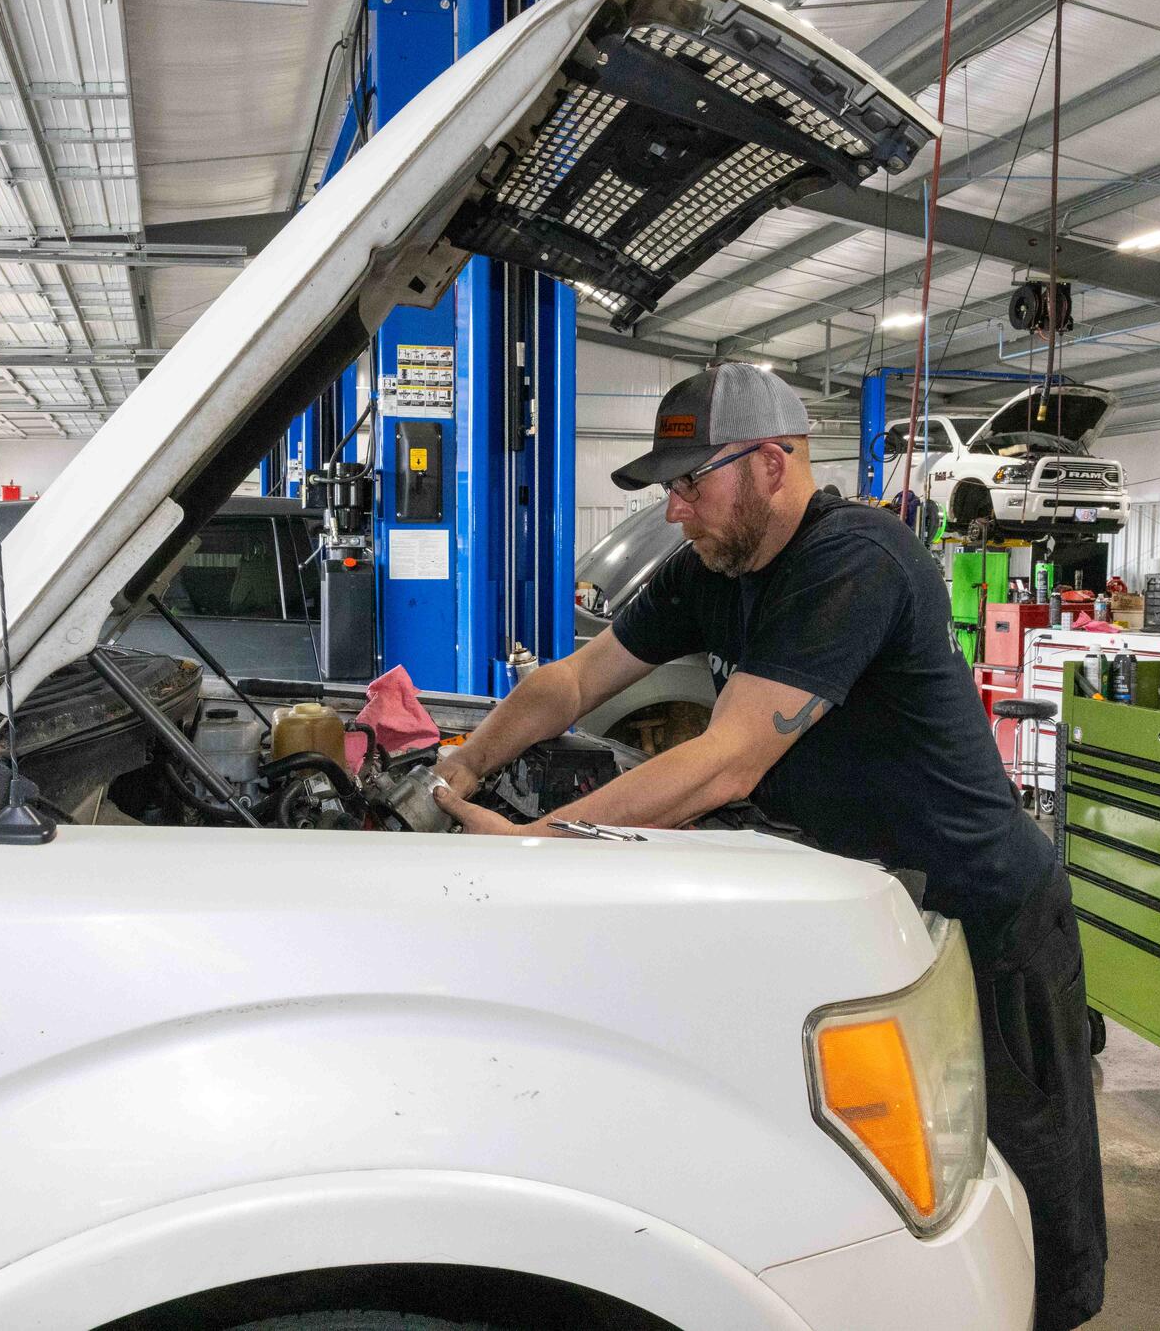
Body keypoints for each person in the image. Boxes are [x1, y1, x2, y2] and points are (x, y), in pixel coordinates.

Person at [432, 362, 1105, 1331]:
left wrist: (539, 844)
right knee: (904, 1193)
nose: (674, 510)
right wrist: (462, 765)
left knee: (1022, 1197)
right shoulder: (710, 570)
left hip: (981, 914)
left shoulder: (855, 559)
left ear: (773, 462)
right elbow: (574, 681)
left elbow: (727, 761)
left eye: (689, 482)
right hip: (875, 915)